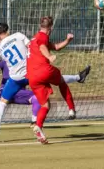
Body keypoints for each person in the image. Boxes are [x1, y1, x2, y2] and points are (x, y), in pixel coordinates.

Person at [0, 61, 90, 131]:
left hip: (19, 92)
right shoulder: (5, 62)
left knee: (37, 97)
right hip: (6, 90)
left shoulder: (26, 62)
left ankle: (34, 122)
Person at [27, 16, 77, 144]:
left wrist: (67, 40)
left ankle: (38, 127)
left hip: (32, 76)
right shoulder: (43, 37)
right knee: (61, 81)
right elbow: (44, 47)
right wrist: (49, 56)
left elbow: (56, 46)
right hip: (43, 70)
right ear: (51, 27)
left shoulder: (35, 38)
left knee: (45, 105)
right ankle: (71, 109)